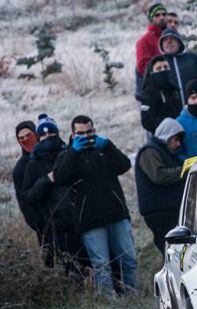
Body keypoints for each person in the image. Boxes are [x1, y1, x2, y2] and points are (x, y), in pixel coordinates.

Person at [53, 115, 137, 296]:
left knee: (129, 259)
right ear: (73, 134)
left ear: (94, 130)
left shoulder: (104, 149)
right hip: (89, 220)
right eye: (80, 133)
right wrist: (73, 153)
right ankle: (109, 303)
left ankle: (133, 296)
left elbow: (125, 165)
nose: (86, 136)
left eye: (89, 132)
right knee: (101, 265)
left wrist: (109, 147)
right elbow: (61, 178)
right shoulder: (66, 155)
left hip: (116, 213)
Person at [22, 114, 86, 274]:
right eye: (42, 135)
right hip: (59, 226)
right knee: (74, 270)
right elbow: (28, 197)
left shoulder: (69, 154)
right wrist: (46, 180)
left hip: (84, 219)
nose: (47, 137)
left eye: (51, 133)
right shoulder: (33, 165)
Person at [135, 118, 186, 255]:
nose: (178, 144)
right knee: (171, 251)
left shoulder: (162, 151)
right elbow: (159, 176)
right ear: (167, 136)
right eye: (175, 139)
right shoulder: (150, 152)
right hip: (159, 213)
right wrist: (184, 171)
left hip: (166, 210)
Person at [13, 120, 46, 257]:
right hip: (44, 228)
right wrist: (40, 226)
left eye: (29, 135)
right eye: (21, 138)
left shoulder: (51, 155)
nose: (26, 140)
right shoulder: (20, 169)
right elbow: (24, 203)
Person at [159, 27, 197, 105]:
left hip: (195, 107)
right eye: (165, 40)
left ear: (179, 43)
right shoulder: (158, 63)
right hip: (171, 111)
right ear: (162, 45)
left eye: (172, 39)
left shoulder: (193, 58)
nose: (169, 42)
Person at [140, 55, 183, 134]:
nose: (163, 70)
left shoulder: (174, 89)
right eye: (159, 68)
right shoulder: (149, 93)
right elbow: (147, 121)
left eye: (166, 67)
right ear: (152, 72)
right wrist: (169, 125)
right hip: (162, 136)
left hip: (180, 133)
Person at [134, 3, 167, 102]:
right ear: (151, 19)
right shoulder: (144, 41)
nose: (161, 17)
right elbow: (142, 67)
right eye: (157, 15)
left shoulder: (170, 38)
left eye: (164, 14)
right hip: (151, 92)